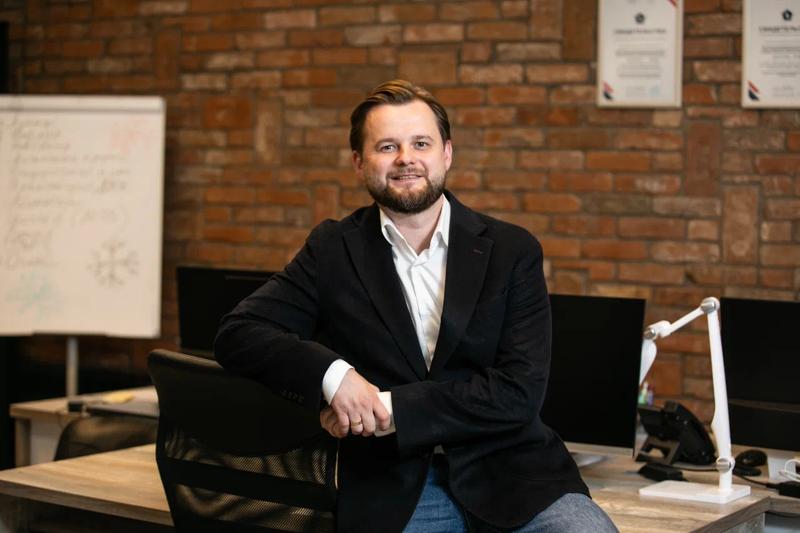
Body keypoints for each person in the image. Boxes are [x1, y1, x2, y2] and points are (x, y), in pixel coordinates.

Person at [215, 80, 617, 533]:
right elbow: (239, 332)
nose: (406, 158)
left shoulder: (512, 251)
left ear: (447, 153)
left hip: (512, 474)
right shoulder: (332, 250)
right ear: (358, 162)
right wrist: (336, 377)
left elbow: (518, 392)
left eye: (420, 143)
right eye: (387, 146)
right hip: (394, 484)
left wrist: (384, 409)